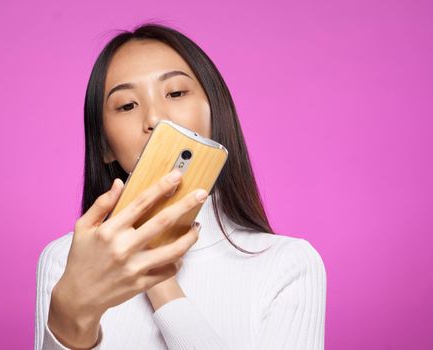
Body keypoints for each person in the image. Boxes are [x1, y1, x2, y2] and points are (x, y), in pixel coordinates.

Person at [35, 23, 326, 350]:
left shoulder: (288, 263)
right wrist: (70, 315)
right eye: (127, 105)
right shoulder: (66, 260)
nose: (156, 118)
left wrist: (161, 280)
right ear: (104, 146)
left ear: (216, 114)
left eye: (175, 93)